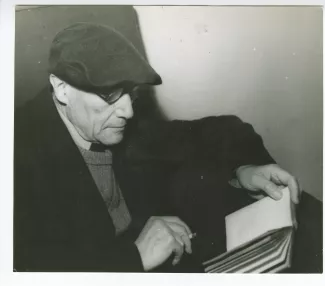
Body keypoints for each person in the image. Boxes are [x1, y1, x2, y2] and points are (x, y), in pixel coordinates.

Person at [14, 22, 300, 273]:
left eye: (132, 93)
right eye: (109, 93)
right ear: (62, 89)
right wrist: (134, 257)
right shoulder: (16, 156)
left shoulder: (112, 123)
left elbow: (211, 132)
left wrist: (242, 170)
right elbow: (31, 269)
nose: (127, 111)